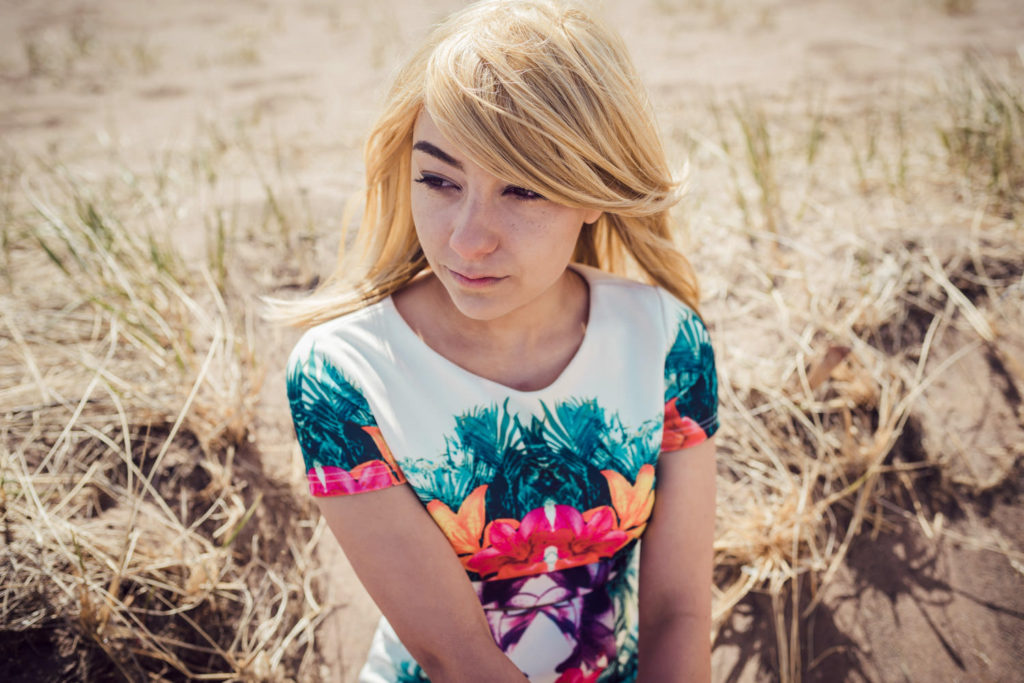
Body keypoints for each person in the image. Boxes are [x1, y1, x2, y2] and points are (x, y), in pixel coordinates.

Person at [281, 1, 718, 680]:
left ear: (596, 191)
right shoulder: (343, 374)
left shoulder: (666, 340)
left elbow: (678, 612)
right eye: (438, 180)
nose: (467, 239)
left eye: (522, 190)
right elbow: (457, 658)